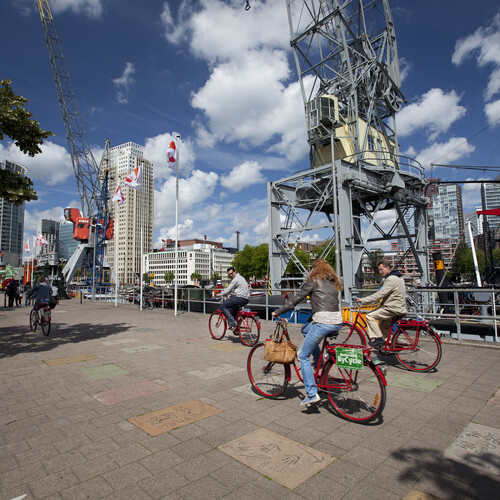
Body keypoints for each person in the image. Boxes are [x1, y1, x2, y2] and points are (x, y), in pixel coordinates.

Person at [272, 259, 343, 406]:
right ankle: (319, 364)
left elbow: (295, 300)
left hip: (323, 323)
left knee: (302, 356)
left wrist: (278, 312)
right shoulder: (334, 282)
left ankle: (311, 393)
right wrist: (313, 318)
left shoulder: (314, 280)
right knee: (305, 329)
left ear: (315, 270)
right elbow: (327, 303)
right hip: (337, 321)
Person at [356, 259, 407, 348]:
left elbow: (379, 295)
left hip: (392, 308)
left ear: (387, 268)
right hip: (399, 307)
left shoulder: (391, 279)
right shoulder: (399, 277)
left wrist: (363, 300)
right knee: (383, 325)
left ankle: (378, 339)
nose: (380, 272)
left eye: (381, 269)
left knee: (370, 316)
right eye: (379, 270)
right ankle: (392, 342)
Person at [218, 267, 250, 331]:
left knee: (223, 306)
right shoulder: (241, 277)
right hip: (245, 299)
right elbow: (241, 289)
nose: (231, 275)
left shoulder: (236, 279)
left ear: (235, 271)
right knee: (235, 307)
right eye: (229, 274)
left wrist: (219, 294)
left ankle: (233, 323)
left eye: (231, 273)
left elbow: (228, 290)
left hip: (240, 298)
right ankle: (236, 327)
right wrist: (235, 293)